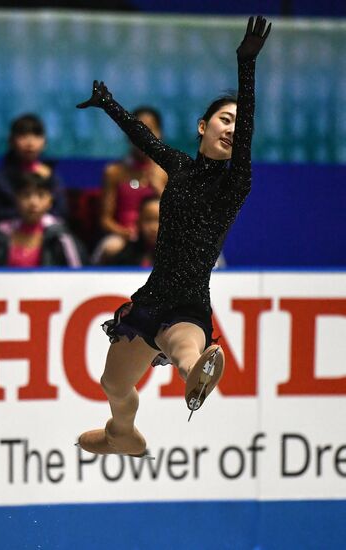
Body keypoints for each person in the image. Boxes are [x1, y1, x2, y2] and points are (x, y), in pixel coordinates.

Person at [75, 16, 271, 457]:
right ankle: (120, 433)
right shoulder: (179, 169)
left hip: (188, 301)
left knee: (183, 346)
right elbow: (144, 138)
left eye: (239, 125)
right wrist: (108, 104)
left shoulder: (235, 183)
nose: (233, 128)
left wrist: (246, 65)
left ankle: (196, 372)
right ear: (203, 127)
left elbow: (246, 134)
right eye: (224, 119)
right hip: (150, 298)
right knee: (113, 383)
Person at [95, 106, 167, 261]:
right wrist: (125, 233)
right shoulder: (113, 172)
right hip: (124, 237)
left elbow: (181, 214)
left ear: (159, 134)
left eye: (149, 129)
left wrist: (159, 188)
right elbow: (105, 220)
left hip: (161, 237)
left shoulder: (166, 172)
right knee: (111, 247)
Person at [0, 172, 86, 267]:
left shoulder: (61, 238)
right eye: (26, 195)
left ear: (50, 201)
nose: (33, 203)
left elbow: (77, 276)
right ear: (16, 199)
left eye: (40, 195)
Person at [0, 113, 67, 229]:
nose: (30, 142)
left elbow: (61, 212)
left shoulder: (51, 176)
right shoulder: (0, 178)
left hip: (45, 234)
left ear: (45, 142)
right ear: (11, 141)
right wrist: (27, 217)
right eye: (23, 135)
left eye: (36, 135)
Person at [99, 195, 160, 267]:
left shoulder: (174, 255)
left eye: (159, 220)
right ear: (138, 222)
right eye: (148, 220)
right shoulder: (127, 254)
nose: (153, 227)